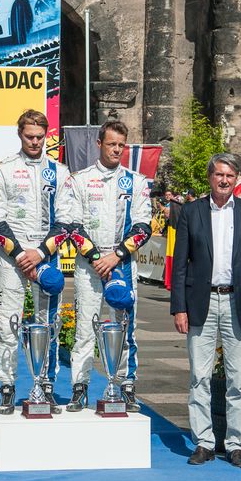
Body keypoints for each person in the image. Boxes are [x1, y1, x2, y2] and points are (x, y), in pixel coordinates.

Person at [170, 153, 241, 469]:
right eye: (219, 175)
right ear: (210, 177)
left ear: (237, 178)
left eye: (230, 175)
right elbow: (181, 265)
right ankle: (204, 442)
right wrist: (179, 307)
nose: (224, 180)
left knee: (237, 379)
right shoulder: (191, 212)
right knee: (199, 376)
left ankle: (235, 444)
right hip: (201, 302)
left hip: (237, 303)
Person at [52, 120, 152, 412]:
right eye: (112, 144)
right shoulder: (79, 179)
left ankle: (126, 384)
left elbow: (144, 227)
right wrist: (97, 258)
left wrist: (116, 256)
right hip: (89, 265)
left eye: (121, 145)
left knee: (125, 327)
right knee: (85, 326)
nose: (117, 150)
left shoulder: (136, 181)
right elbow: (71, 225)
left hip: (121, 262)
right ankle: (79, 387)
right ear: (99, 144)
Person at [0, 110, 70, 414]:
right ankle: (7, 385)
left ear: (46, 135)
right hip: (13, 257)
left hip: (45, 256)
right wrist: (22, 255)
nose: (35, 142)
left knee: (49, 322)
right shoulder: (3, 169)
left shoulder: (60, 172)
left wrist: (41, 253)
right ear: (20, 135)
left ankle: (44, 385)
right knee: (9, 321)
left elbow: (67, 220)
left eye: (39, 137)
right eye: (29, 136)